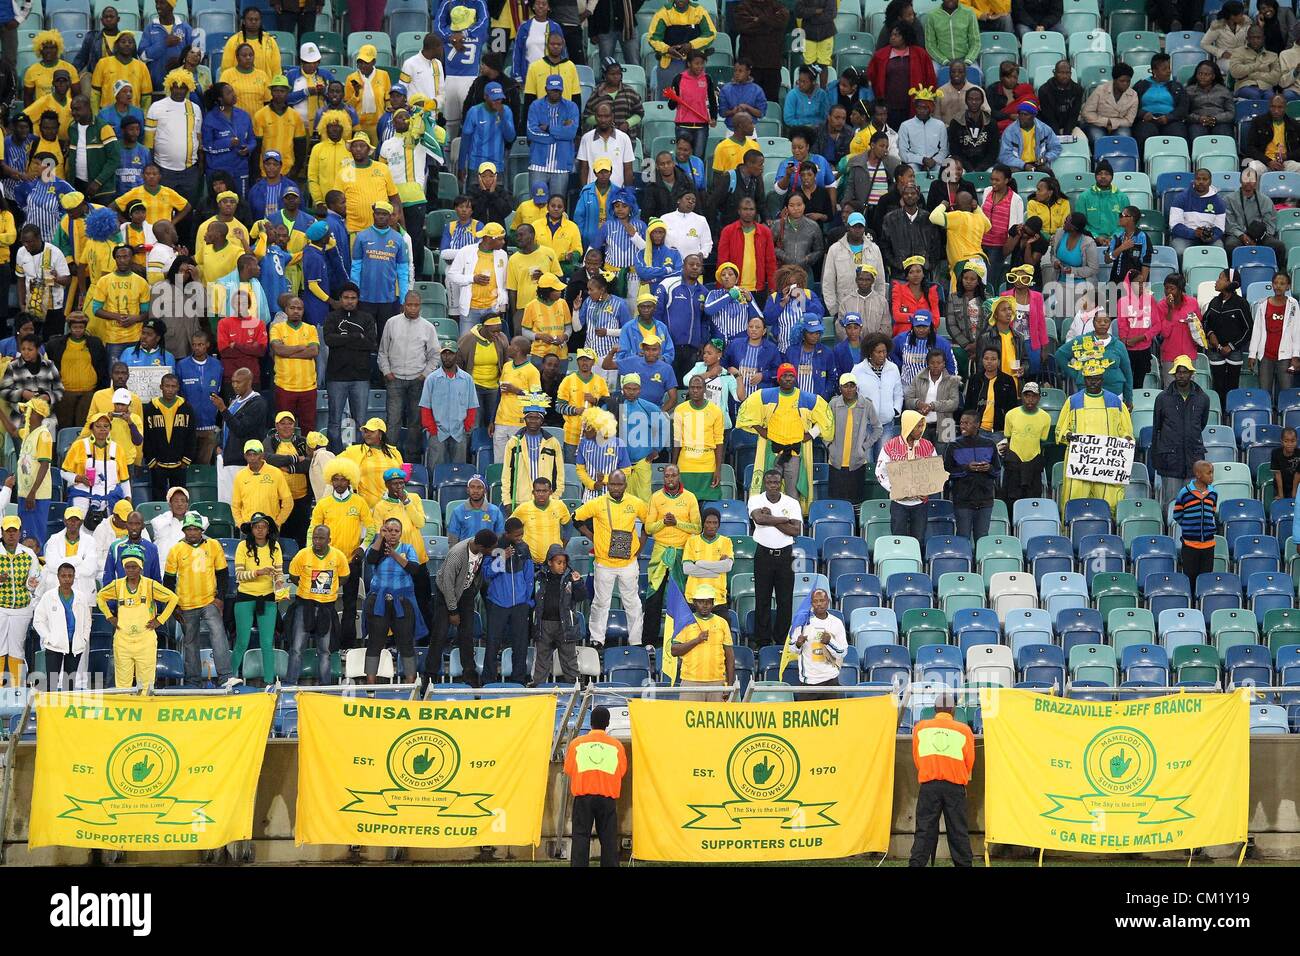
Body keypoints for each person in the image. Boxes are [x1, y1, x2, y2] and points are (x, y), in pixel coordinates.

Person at [1056, 358, 1136, 517]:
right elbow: (1060, 431)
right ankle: (1070, 531)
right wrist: (1068, 435)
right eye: (1090, 379)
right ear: (1084, 379)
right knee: (1075, 500)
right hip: (1080, 463)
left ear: (1102, 379)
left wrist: (1126, 439)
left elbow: (1125, 430)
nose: (1093, 382)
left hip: (1107, 465)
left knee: (1109, 501)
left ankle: (1111, 532)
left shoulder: (1114, 401)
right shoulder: (1073, 401)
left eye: (1097, 378)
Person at [163, 513, 234, 689]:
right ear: (184, 530)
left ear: (201, 530)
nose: (192, 532)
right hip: (186, 604)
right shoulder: (176, 550)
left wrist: (220, 598)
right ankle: (193, 681)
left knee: (218, 635)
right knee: (190, 642)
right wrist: (173, 607)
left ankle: (225, 677)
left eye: (195, 529)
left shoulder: (214, 545)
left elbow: (223, 574)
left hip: (209, 601)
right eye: (189, 529)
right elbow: (168, 581)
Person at [96, 543, 178, 688]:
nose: (131, 570)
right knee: (122, 685)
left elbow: (173, 598)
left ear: (141, 567)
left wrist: (160, 620)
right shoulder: (117, 585)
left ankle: (145, 710)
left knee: (146, 685)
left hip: (145, 641)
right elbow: (100, 597)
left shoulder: (150, 585)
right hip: (123, 642)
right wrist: (109, 616)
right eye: (128, 567)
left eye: (134, 567)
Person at [423, 528, 497, 685]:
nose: (493, 551)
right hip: (445, 594)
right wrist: (453, 610)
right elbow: (447, 585)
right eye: (491, 548)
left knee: (467, 635)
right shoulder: (457, 555)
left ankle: (469, 675)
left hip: (466, 591)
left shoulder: (480, 547)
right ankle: (429, 677)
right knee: (440, 635)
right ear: (482, 547)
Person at [909, 694, 975, 867]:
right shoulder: (964, 730)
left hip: (929, 786)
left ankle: (916, 864)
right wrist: (960, 777)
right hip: (955, 787)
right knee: (958, 831)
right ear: (953, 710)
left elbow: (917, 758)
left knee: (924, 830)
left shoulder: (920, 728)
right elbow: (969, 761)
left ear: (935, 709)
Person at [564, 704, 628, 867]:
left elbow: (569, 769)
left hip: (583, 798)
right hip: (607, 799)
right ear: (607, 724)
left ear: (590, 722)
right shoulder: (617, 746)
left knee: (580, 837)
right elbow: (621, 771)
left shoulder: (576, 744)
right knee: (608, 839)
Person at [284, 524, 349, 686]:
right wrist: (307, 590)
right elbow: (293, 576)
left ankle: (325, 686)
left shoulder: (338, 556)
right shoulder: (302, 555)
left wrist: (330, 589)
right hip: (304, 605)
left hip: (326, 607)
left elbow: (344, 577)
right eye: (315, 538)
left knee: (324, 651)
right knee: (297, 648)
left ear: (329, 540)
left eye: (321, 538)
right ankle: (291, 685)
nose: (317, 541)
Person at [360, 516, 420, 683]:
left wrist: (393, 554)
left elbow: (413, 568)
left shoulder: (408, 549)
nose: (392, 534)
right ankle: (370, 685)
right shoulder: (377, 548)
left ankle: (410, 685)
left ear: (401, 533)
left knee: (406, 643)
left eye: (396, 531)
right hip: (378, 600)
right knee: (375, 642)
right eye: (389, 530)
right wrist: (380, 537)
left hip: (402, 602)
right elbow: (370, 559)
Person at [746, 468, 801, 645]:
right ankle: (762, 641)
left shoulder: (792, 502)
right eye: (769, 482)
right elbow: (759, 520)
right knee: (762, 599)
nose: (772, 486)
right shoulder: (755, 499)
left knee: (785, 600)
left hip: (786, 555)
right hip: (763, 554)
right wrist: (784, 519)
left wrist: (772, 517)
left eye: (776, 482)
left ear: (781, 483)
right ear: (764, 483)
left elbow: (796, 530)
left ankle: (781, 640)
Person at [1152, 355, 1211, 506]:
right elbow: (1157, 428)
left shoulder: (1203, 398)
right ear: (1173, 374)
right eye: (1178, 372)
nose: (1181, 375)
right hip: (1170, 460)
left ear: (1191, 374)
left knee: (1193, 503)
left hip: (1194, 459)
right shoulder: (1162, 398)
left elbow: (1201, 424)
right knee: (1171, 503)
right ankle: (1169, 530)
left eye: (1185, 372)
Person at [877, 409, 939, 538]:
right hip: (899, 503)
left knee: (919, 540)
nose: (921, 430)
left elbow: (935, 473)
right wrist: (896, 490)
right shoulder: (890, 446)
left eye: (922, 426)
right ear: (909, 427)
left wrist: (927, 490)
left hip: (920, 504)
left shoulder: (928, 446)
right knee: (899, 539)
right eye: (918, 426)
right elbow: (880, 472)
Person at [532, 543, 586, 686]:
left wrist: (578, 582)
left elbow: (581, 597)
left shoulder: (570, 579)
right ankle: (538, 690)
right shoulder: (539, 578)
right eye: (559, 563)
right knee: (542, 660)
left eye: (564, 563)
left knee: (569, 660)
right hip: (544, 625)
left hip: (566, 625)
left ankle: (576, 690)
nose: (562, 566)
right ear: (549, 562)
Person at [501, 394, 566, 510]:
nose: (533, 421)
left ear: (542, 420)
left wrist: (555, 497)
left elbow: (559, 474)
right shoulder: (514, 442)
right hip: (521, 500)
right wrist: (507, 500)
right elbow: (506, 474)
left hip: (547, 501)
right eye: (530, 417)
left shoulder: (552, 442)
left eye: (537, 418)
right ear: (525, 419)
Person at [866, 26, 937, 131]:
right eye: (892, 35)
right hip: (889, 105)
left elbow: (930, 78)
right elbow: (872, 77)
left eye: (897, 35)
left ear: (905, 37)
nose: (892, 38)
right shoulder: (880, 55)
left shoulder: (920, 54)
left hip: (913, 105)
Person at [945, 409, 1002, 541]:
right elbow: (947, 472)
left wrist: (989, 468)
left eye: (967, 423)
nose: (963, 426)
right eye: (961, 423)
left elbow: (997, 470)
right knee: (963, 537)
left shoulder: (989, 444)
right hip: (963, 501)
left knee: (982, 538)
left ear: (977, 424)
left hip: (985, 500)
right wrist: (967, 468)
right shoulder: (954, 445)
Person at [34, 562, 91, 691]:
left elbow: (87, 621)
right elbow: (38, 620)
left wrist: (84, 639)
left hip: (75, 645)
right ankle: (50, 710)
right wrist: (48, 637)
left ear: (74, 577)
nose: (67, 579)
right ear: (58, 577)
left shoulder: (81, 597)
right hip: (54, 645)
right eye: (63, 576)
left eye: (70, 576)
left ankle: (65, 709)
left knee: (69, 683)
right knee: (51, 683)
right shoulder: (49, 596)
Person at [1056, 312, 1135, 406]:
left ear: (1110, 323)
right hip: (1087, 392)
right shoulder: (1082, 341)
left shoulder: (1118, 345)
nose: (1102, 324)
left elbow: (1127, 373)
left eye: (1106, 321)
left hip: (1114, 391)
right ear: (1093, 323)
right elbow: (1060, 354)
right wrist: (1077, 374)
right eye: (1099, 321)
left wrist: (1129, 398)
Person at [827, 373, 884, 503]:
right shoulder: (834, 403)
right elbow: (825, 426)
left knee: (856, 500)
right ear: (840, 388)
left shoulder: (866, 404)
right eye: (845, 386)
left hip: (857, 462)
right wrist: (829, 445)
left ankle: (856, 523)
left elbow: (878, 428)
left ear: (856, 387)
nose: (849, 389)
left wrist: (864, 446)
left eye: (852, 386)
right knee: (836, 500)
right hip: (836, 462)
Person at [141, 372, 196, 501]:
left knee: (178, 499)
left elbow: (191, 436)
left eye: (173, 386)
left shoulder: (186, 408)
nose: (170, 390)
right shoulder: (150, 408)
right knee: (158, 499)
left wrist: (186, 460)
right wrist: (151, 460)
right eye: (167, 386)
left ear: (178, 388)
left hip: (179, 465)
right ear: (161, 387)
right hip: (157, 465)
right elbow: (146, 436)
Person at [1202, 269, 1253, 408]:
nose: (1217, 281)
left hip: (1234, 352)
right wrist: (1210, 333)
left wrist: (1230, 346)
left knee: (1232, 386)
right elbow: (1205, 321)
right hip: (1215, 351)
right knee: (1217, 385)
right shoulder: (1214, 302)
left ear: (1230, 283)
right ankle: (1220, 414)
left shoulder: (1241, 304)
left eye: (1220, 278)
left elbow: (1248, 329)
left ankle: (1231, 413)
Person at [784, 587, 847, 697]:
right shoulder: (802, 621)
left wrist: (830, 642)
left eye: (822, 600)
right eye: (815, 601)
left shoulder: (836, 623)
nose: (819, 604)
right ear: (811, 603)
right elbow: (791, 648)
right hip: (809, 683)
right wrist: (798, 644)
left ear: (827, 602)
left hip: (831, 681)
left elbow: (843, 652)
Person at [672, 376, 726, 500]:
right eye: (692, 388)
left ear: (704, 390)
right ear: (688, 389)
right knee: (684, 503)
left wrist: (718, 470)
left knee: (709, 506)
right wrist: (674, 465)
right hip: (686, 465)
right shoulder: (680, 410)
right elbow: (677, 440)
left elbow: (719, 442)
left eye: (699, 387)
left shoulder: (716, 411)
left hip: (708, 465)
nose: (695, 391)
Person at [1249, 270, 1300, 394]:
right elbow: (1257, 330)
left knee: (1286, 391)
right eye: (1276, 283)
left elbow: (1296, 330)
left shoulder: (1293, 305)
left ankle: (1283, 413)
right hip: (1266, 355)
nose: (1278, 286)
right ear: (1272, 285)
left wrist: (1296, 355)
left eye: (1282, 283)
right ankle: (1269, 413)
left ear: (1288, 286)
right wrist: (1252, 354)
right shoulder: (1263, 304)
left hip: (1285, 356)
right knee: (1264, 391)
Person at [1225, 167, 1287, 267]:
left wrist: (1258, 238)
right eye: (1245, 179)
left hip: (1261, 235)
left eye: (1252, 180)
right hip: (1238, 235)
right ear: (1240, 180)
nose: (1249, 182)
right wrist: (1242, 236)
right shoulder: (1229, 199)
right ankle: (1232, 275)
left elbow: (1270, 223)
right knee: (1230, 246)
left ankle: (1278, 275)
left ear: (1256, 182)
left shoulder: (1265, 200)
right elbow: (1229, 223)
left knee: (1279, 246)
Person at [904, 349, 961, 450]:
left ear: (944, 364)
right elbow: (908, 400)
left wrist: (933, 406)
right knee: (921, 459)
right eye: (932, 363)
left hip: (946, 425)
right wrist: (918, 404)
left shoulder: (952, 380)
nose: (935, 365)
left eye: (939, 363)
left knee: (944, 459)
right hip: (920, 426)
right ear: (927, 364)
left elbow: (954, 403)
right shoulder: (918, 379)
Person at [1172, 460, 1218, 586]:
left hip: (1209, 545)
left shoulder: (1213, 493)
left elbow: (1212, 512)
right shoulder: (1185, 492)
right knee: (1190, 578)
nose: (1211, 476)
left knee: (1205, 579)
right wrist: (1189, 527)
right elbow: (1177, 514)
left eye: (1212, 473)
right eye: (1209, 473)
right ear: (1198, 474)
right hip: (1190, 545)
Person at [1132, 53, 1189, 144]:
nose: (1168, 71)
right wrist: (1143, 114)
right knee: (1144, 135)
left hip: (1171, 120)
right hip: (1146, 120)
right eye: (1164, 69)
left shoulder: (1177, 86)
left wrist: (1169, 117)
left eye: (1169, 68)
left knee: (1178, 135)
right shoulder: (1141, 86)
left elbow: (1183, 107)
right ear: (1154, 71)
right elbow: (1131, 105)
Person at [1081, 63, 1139, 147]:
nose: (1125, 84)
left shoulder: (1133, 95)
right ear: (1114, 80)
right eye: (1122, 81)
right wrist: (1106, 122)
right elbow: (1087, 113)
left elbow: (1129, 121)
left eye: (1128, 81)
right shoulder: (1100, 90)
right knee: (1098, 139)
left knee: (1124, 138)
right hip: (1096, 123)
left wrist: (1112, 123)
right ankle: (1100, 159)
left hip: (1120, 126)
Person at [1272, 427, 1300, 501]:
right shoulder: (1275, 453)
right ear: (1282, 441)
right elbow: (1277, 473)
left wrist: (1294, 495)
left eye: (1292, 441)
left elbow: (1298, 475)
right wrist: (1281, 495)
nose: (1289, 444)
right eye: (1286, 441)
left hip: (1296, 486)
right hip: (1280, 486)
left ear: (1296, 441)